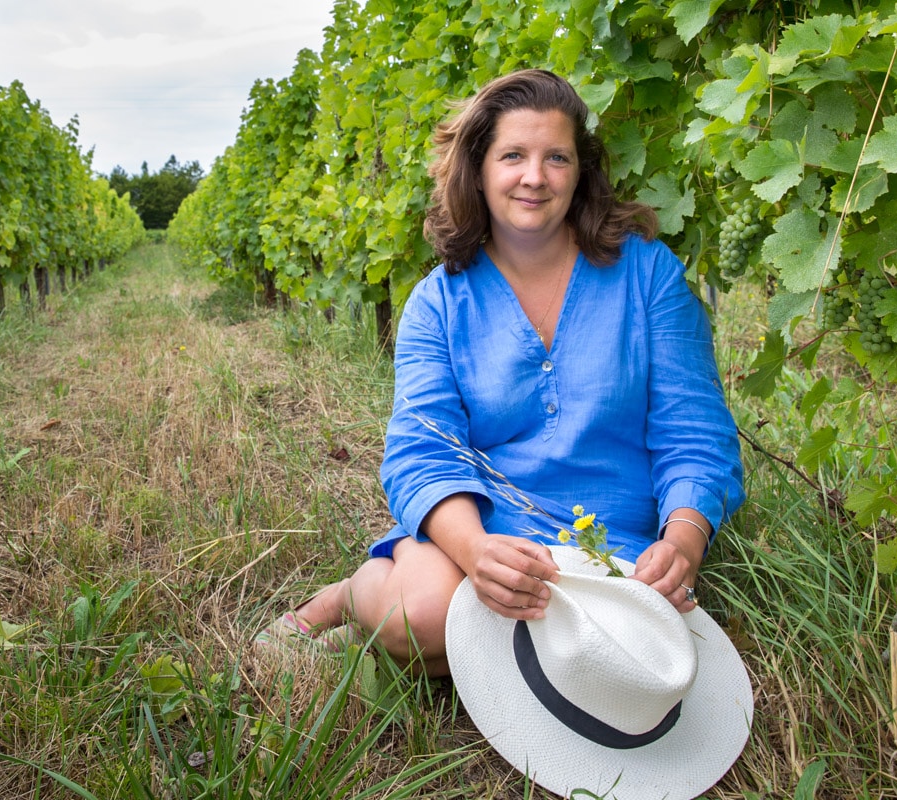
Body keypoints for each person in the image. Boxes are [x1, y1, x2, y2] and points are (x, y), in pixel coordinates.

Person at [257, 69, 744, 678]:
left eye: (557, 157)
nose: (534, 177)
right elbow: (421, 450)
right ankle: (350, 597)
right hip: (483, 538)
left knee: (601, 667)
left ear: (581, 171)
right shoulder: (439, 303)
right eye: (513, 155)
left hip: (615, 551)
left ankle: (383, 632)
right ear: (480, 170)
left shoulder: (649, 278)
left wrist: (682, 541)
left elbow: (695, 433)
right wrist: (475, 549)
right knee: (429, 618)